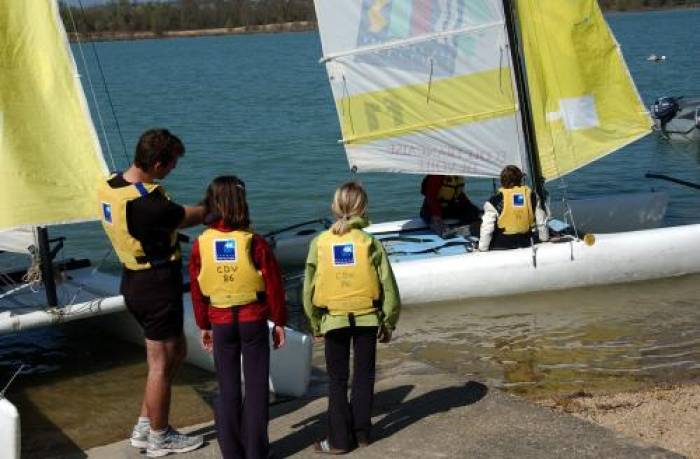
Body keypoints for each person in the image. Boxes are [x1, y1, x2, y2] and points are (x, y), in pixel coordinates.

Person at [97, 128, 206, 457]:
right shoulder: (150, 204)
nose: (173, 170)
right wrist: (217, 200)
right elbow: (191, 216)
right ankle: (160, 436)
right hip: (156, 284)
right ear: (157, 163)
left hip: (133, 279)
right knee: (161, 362)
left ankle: (146, 424)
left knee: (176, 352)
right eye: (171, 164)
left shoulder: (111, 184)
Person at [188, 175, 287, 459]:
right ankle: (256, 452)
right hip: (252, 320)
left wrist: (203, 324)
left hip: (220, 321)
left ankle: (232, 453)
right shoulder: (254, 242)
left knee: (228, 388)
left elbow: (196, 287)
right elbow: (273, 286)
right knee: (256, 388)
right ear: (242, 202)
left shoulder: (201, 243)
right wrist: (279, 322)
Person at [303, 181, 400, 454]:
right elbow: (388, 287)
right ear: (363, 208)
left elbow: (308, 288)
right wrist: (389, 321)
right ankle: (363, 433)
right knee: (364, 376)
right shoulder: (371, 243)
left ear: (334, 207)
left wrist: (315, 323)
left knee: (336, 380)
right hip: (367, 319)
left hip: (333, 319)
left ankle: (338, 442)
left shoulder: (319, 243)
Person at [478, 165, 549, 251]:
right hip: (526, 241)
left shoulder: (494, 201)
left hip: (503, 244)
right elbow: (541, 221)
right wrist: (544, 238)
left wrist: (482, 248)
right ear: (520, 179)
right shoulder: (532, 196)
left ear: (502, 181)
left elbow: (487, 228)